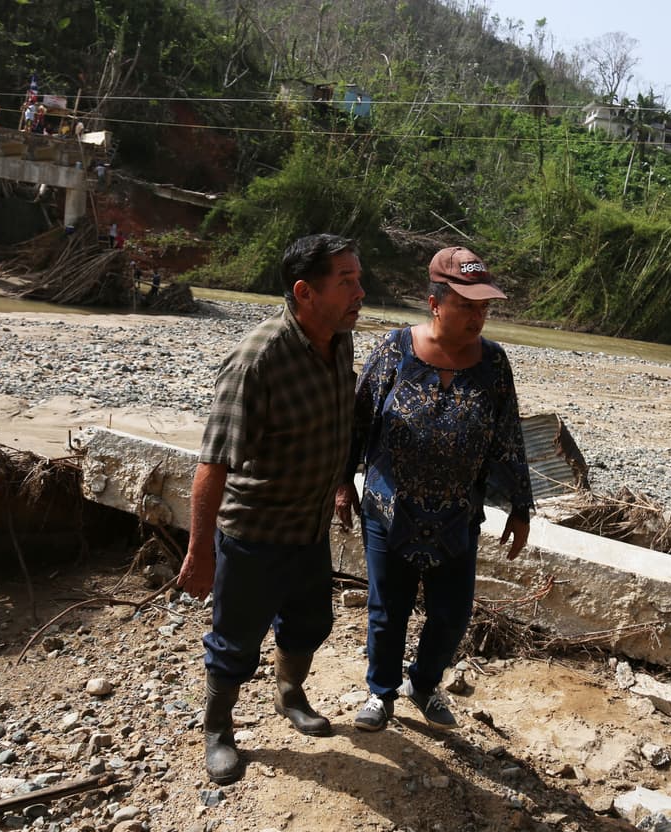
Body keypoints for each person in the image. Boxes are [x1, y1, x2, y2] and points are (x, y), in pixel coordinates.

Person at [176, 233, 364, 785]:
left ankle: (289, 694)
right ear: (305, 292)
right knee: (235, 641)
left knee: (310, 622)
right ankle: (217, 730)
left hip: (309, 527)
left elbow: (334, 423)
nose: (360, 292)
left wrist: (338, 484)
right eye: (346, 282)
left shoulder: (340, 338)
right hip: (255, 533)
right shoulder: (257, 360)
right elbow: (212, 464)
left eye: (359, 278)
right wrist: (200, 552)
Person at [339, 246, 533, 733]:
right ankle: (380, 693)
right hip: (389, 509)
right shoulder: (394, 350)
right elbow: (357, 423)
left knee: (452, 615)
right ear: (434, 302)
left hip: (456, 516)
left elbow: (507, 435)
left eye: (484, 306)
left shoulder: (494, 364)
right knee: (388, 611)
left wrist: (521, 506)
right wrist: (342, 483)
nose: (478, 316)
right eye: (467, 305)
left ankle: (422, 685)